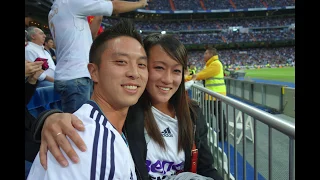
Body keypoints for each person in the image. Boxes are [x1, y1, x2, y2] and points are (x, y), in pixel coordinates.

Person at [31, 34, 224, 180]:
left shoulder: (192, 113)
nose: (167, 79)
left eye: (176, 71)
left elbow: (206, 168)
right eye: (158, 67)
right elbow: (87, 130)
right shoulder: (127, 111)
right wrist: (50, 118)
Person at [27, 19, 148, 180]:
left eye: (141, 65)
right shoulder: (85, 143)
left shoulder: (109, 129)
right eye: (121, 62)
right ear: (94, 71)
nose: (134, 73)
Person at [49, 0, 148, 113]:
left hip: (64, 75)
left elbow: (91, 34)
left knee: (74, 120)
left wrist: (98, 14)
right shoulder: (71, 3)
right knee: (79, 126)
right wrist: (140, 3)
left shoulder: (54, 11)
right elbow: (115, 7)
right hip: (77, 76)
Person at [186, 46, 227, 142]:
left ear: (211, 54)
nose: (204, 55)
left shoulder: (215, 64)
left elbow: (202, 75)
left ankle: (218, 135)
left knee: (214, 115)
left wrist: (187, 78)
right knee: (213, 115)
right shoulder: (210, 64)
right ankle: (214, 134)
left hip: (215, 94)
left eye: (205, 53)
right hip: (212, 94)